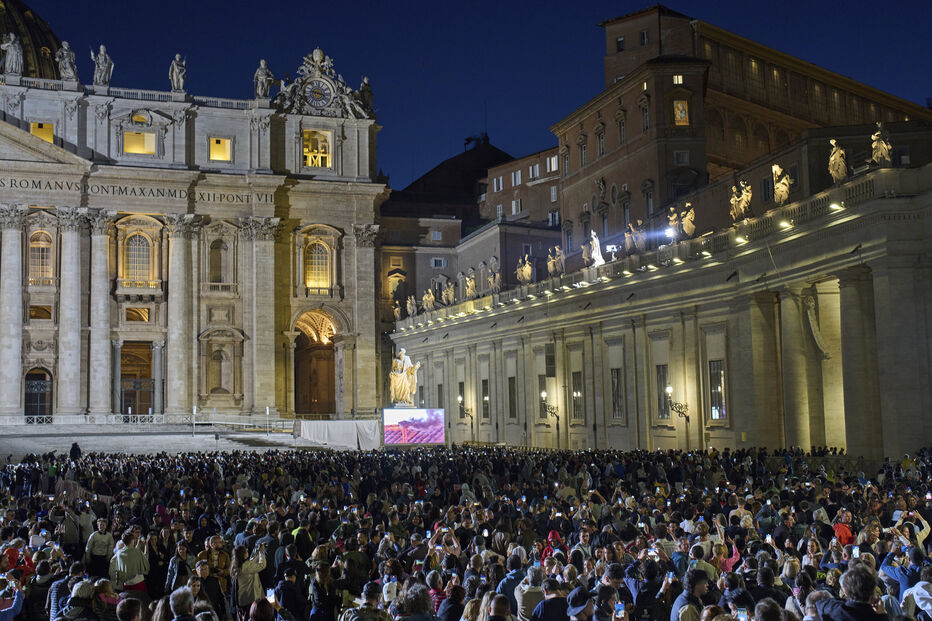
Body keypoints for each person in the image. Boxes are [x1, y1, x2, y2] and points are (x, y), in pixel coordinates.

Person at [813, 565, 886, 621]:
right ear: (873, 591)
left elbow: (820, 603)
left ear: (845, 591)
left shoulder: (833, 609)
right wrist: (882, 614)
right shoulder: (877, 617)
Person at [231, 544, 266, 621]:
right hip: (250, 598)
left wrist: (256, 550)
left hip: (243, 597)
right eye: (246, 551)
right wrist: (260, 553)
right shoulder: (246, 566)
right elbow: (262, 565)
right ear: (243, 555)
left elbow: (251, 561)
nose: (248, 552)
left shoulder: (237, 565)